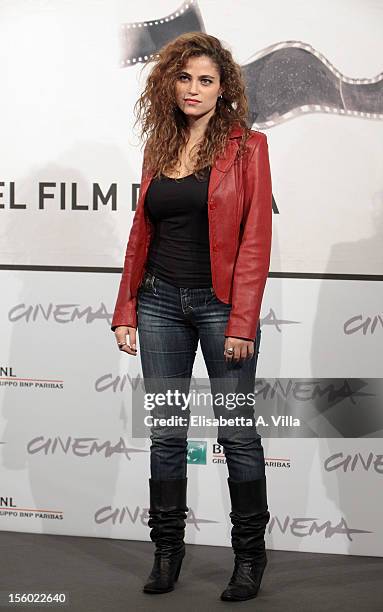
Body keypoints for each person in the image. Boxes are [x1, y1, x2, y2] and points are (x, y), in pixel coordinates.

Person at [111, 32, 273, 602]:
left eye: (206, 80)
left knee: (236, 433)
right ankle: (166, 552)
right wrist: (126, 306)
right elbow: (141, 235)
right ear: (170, 82)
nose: (194, 89)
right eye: (185, 78)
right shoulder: (159, 144)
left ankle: (250, 559)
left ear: (222, 87)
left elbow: (255, 240)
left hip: (221, 306)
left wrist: (241, 323)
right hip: (158, 303)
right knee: (165, 433)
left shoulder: (249, 147)